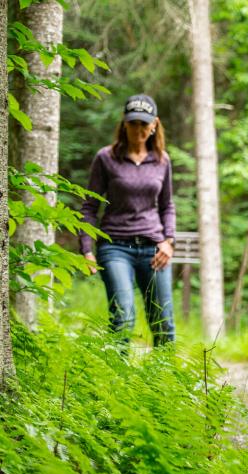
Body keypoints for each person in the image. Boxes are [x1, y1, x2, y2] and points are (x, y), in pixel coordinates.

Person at [80, 94, 176, 346]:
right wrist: (86, 250)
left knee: (163, 322)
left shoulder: (162, 160)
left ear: (154, 124)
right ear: (124, 123)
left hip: (153, 248)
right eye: (133, 123)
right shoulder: (106, 158)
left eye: (144, 124)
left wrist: (168, 241)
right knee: (123, 316)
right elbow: (90, 206)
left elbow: (167, 205)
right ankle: (117, 380)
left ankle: (164, 382)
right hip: (115, 247)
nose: (139, 130)